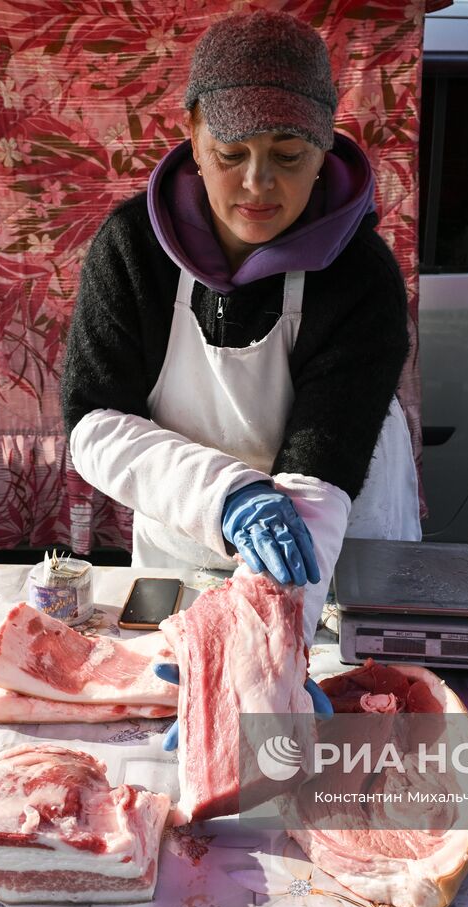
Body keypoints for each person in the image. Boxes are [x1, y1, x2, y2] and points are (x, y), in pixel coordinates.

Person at [62, 10, 420, 646]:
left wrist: (274, 658)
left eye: (289, 155)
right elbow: (95, 425)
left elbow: (321, 469)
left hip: (329, 542)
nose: (259, 184)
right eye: (231, 154)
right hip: (186, 533)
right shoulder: (131, 251)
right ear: (193, 136)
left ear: (325, 149)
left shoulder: (362, 276)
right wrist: (227, 495)